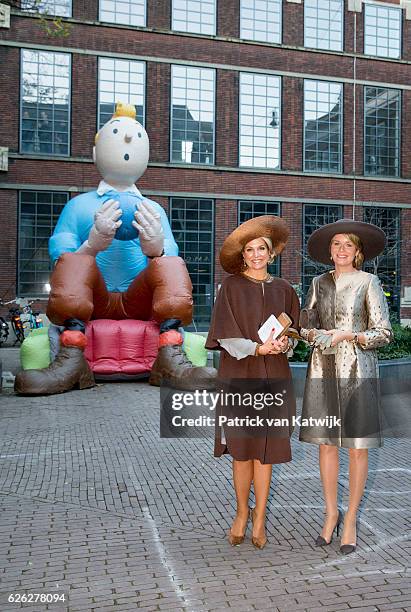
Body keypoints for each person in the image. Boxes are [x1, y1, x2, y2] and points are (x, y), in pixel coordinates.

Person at [14, 102, 216, 395]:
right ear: (96, 154)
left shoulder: (154, 210)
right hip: (93, 302)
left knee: (171, 264)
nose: (127, 142)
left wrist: (155, 250)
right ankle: (71, 359)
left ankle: (171, 356)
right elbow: (60, 257)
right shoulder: (78, 206)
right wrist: (91, 245)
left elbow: (170, 259)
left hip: (139, 301)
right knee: (75, 262)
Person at [206, 216, 300, 549]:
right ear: (242, 256)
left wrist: (284, 344)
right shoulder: (230, 287)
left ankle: (260, 516)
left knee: (266, 451)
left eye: (262, 248)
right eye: (250, 250)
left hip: (274, 377)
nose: (257, 254)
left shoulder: (285, 290)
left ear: (271, 253)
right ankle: (241, 512)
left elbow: (293, 335)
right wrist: (258, 347)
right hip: (239, 377)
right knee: (242, 452)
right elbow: (226, 337)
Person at [299, 219, 392, 554]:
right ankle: (330, 513)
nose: (340, 250)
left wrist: (349, 335)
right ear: (330, 250)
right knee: (326, 445)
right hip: (323, 369)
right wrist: (314, 334)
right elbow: (304, 323)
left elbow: (384, 332)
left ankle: (350, 518)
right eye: (336, 244)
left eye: (347, 245)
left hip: (357, 369)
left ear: (358, 252)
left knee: (356, 447)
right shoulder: (318, 283)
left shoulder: (369, 282)